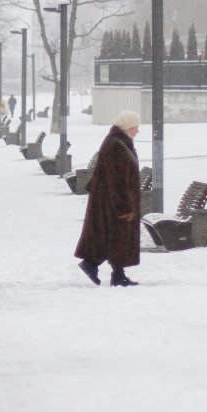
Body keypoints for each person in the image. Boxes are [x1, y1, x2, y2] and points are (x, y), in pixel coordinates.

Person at [73, 110, 142, 287]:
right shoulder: (117, 145)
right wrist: (124, 207)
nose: (137, 131)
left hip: (108, 200)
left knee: (113, 237)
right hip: (114, 202)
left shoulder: (119, 142)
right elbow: (117, 179)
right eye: (135, 127)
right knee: (117, 237)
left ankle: (103, 269)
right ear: (128, 127)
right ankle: (107, 271)